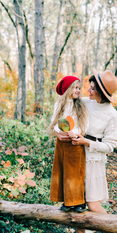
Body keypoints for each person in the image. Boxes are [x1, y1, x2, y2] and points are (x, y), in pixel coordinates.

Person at [55, 69, 117, 233]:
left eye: (92, 88)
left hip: (93, 159)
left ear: (102, 92)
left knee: (93, 204)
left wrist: (86, 143)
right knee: (75, 201)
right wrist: (57, 132)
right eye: (89, 87)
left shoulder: (111, 115)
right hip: (74, 156)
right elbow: (62, 112)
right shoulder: (83, 102)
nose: (88, 90)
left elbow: (110, 145)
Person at [49, 76, 88, 213]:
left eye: (79, 88)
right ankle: (67, 201)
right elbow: (55, 123)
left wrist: (76, 133)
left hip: (75, 142)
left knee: (76, 173)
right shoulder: (59, 104)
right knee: (63, 171)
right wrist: (58, 133)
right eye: (75, 88)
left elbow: (84, 124)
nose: (78, 90)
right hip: (62, 143)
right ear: (67, 89)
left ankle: (79, 202)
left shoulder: (80, 105)